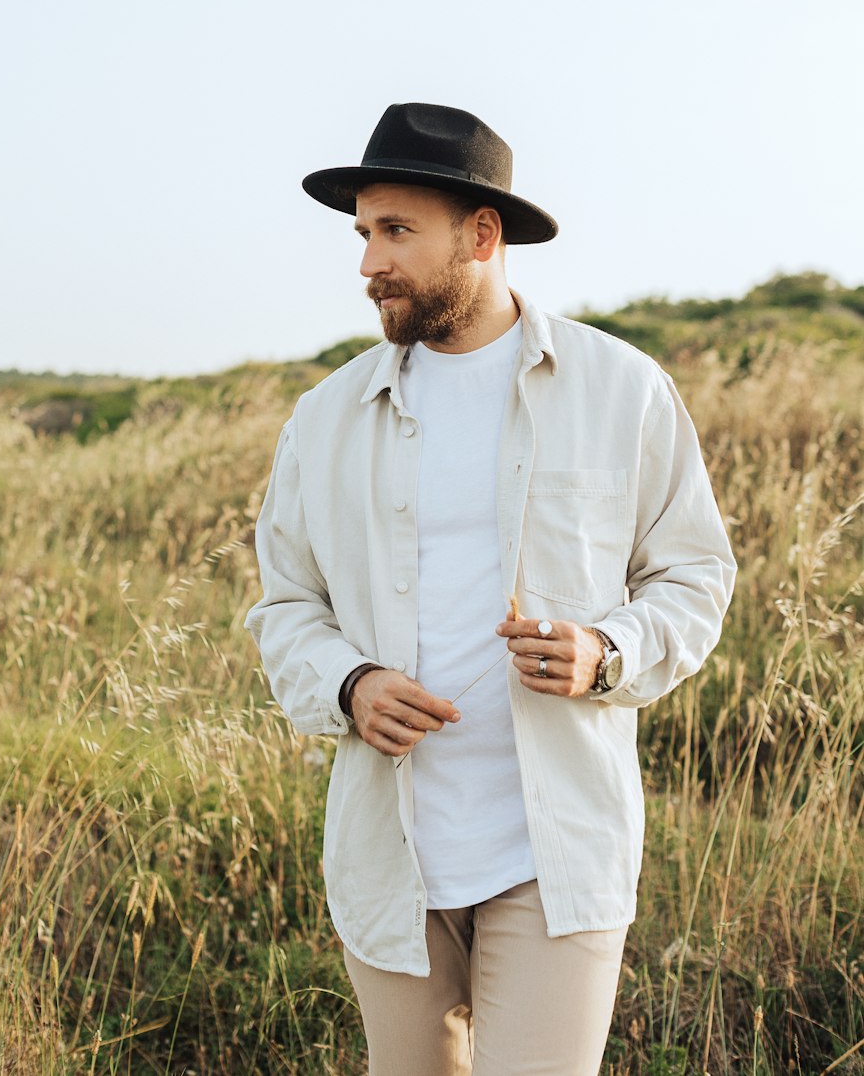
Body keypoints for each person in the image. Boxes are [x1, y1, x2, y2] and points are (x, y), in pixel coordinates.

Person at [245, 102, 736, 1076]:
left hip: (556, 850)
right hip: (392, 854)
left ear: (481, 234)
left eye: (395, 231)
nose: (366, 263)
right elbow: (285, 605)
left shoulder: (621, 389)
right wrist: (348, 683)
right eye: (362, 233)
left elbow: (692, 575)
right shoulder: (324, 417)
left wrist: (608, 652)